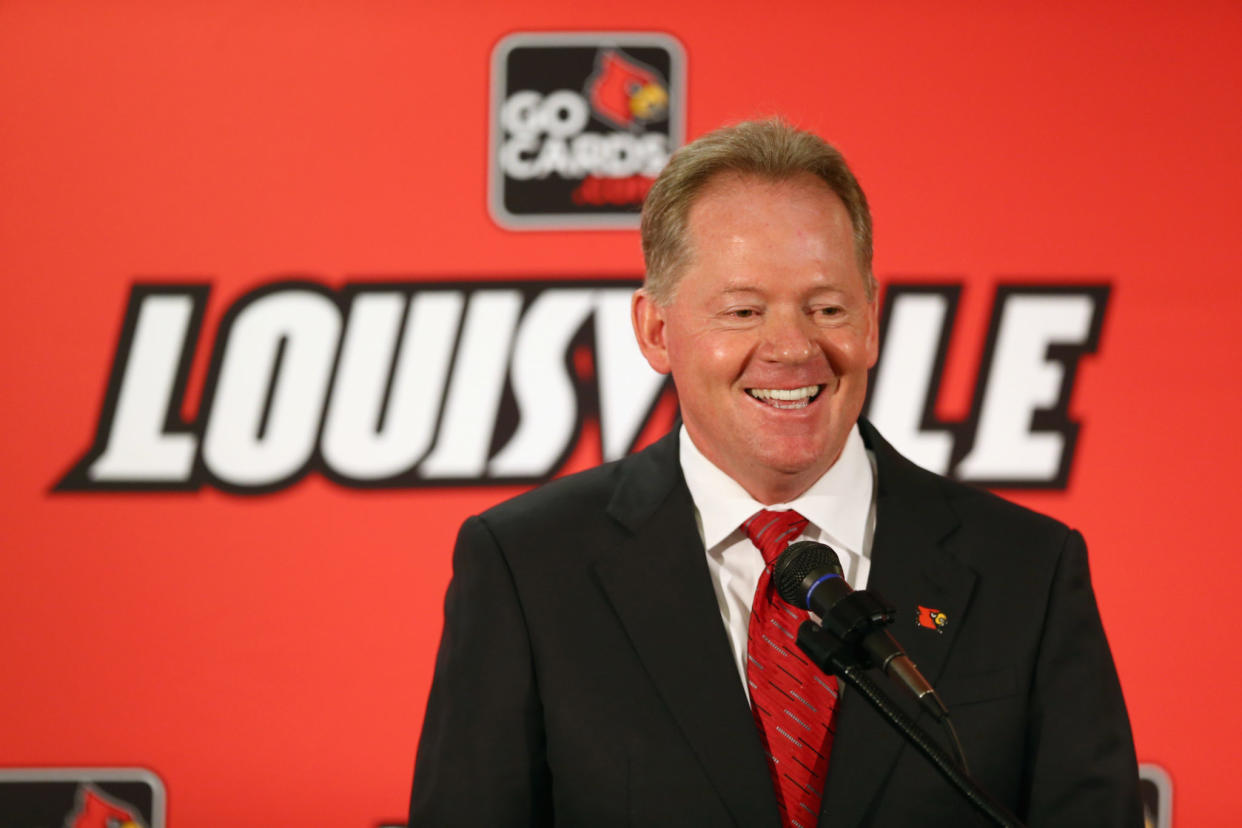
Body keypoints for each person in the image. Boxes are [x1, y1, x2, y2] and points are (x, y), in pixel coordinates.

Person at [409, 119, 1141, 827]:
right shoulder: (528, 568)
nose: (792, 348)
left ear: (872, 319)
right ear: (656, 331)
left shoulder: (1028, 569)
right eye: (742, 310)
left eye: (826, 306)